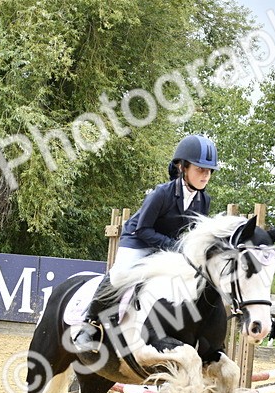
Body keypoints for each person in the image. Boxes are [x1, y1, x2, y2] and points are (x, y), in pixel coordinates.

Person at [71, 134, 219, 352]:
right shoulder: (162, 193)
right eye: (200, 169)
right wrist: (173, 246)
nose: (205, 176)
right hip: (138, 240)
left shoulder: (203, 200)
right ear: (182, 167)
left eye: (209, 171)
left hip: (169, 247)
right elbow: (143, 228)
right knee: (121, 273)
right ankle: (90, 325)